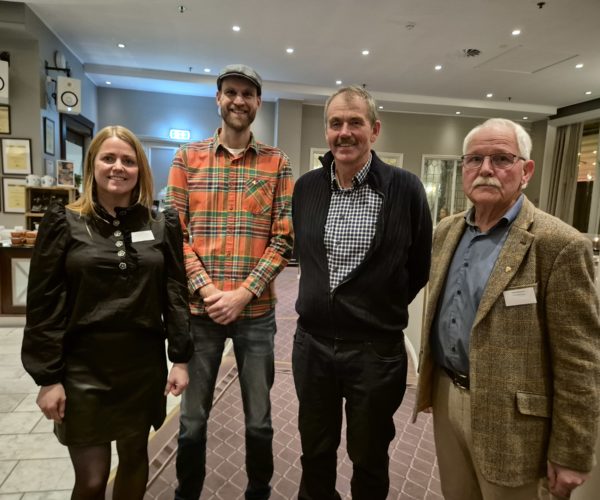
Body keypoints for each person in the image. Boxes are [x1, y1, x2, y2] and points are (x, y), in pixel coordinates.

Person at [414, 118, 600, 500]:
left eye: (501, 158)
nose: (485, 170)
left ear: (526, 170)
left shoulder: (559, 245)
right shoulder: (447, 232)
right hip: (448, 396)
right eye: (474, 160)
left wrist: (572, 452)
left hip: (515, 424)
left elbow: (580, 362)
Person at [22, 125, 193, 500]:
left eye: (128, 160)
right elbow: (43, 306)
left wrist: (180, 359)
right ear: (93, 164)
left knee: (134, 461)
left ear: (140, 170)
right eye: (109, 158)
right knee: (93, 478)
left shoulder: (161, 224)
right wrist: (47, 378)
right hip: (82, 368)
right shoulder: (63, 222)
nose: (119, 167)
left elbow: (175, 293)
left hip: (142, 368)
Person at [291, 85, 432, 500]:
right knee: (314, 451)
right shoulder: (307, 188)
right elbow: (306, 254)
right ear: (327, 131)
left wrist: (376, 306)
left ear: (374, 129)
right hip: (312, 346)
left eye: (355, 122)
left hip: (376, 352)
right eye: (336, 123)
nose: (345, 132)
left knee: (369, 457)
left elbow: (419, 266)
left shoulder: (405, 189)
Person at [166, 64, 294, 500]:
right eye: (231, 92)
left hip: (256, 314)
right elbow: (175, 236)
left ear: (258, 102)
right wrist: (207, 289)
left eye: (248, 94)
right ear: (218, 99)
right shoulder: (187, 158)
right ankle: (188, 493)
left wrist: (242, 294)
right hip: (200, 315)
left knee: (259, 417)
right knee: (192, 420)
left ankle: (258, 492)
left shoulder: (277, 163)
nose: (239, 100)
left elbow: (284, 238)